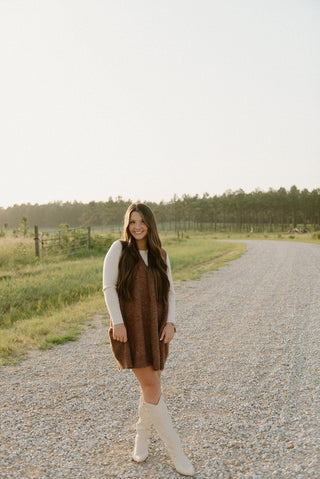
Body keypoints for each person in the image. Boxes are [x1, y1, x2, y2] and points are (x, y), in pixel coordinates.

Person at [102, 203, 195, 476]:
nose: (137, 226)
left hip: (156, 328)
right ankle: (177, 453)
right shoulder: (118, 249)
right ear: (127, 225)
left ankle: (141, 437)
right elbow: (108, 287)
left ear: (150, 224)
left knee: (151, 386)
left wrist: (171, 322)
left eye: (142, 221)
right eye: (132, 222)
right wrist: (117, 322)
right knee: (152, 385)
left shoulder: (161, 255)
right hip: (130, 329)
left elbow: (171, 293)